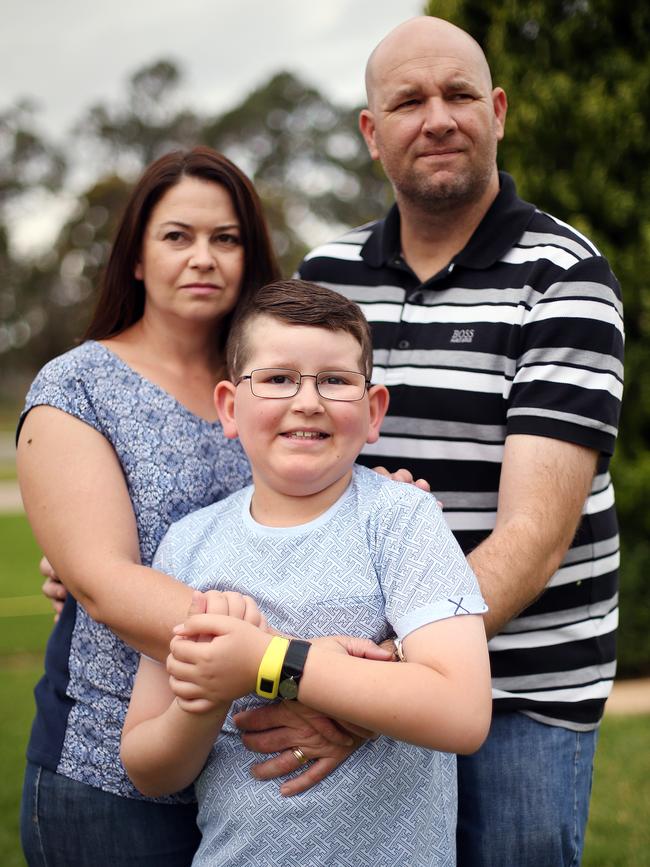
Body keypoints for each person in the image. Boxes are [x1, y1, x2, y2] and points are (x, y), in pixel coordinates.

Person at [295, 16, 624, 867]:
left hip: (520, 693)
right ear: (373, 134)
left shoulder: (566, 276)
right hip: (362, 667)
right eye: (408, 101)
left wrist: (385, 681)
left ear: (499, 111)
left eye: (459, 95)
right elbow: (276, 464)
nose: (437, 117)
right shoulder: (322, 281)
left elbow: (534, 534)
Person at [120, 278, 492, 867]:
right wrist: (204, 699)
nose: (308, 401)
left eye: (336, 380)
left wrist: (268, 662)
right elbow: (146, 766)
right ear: (229, 407)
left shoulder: (402, 520)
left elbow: (462, 711)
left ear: (373, 412)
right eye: (277, 378)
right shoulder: (188, 544)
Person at [16, 146, 281, 866]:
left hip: (257, 780)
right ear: (135, 257)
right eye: (177, 236)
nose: (204, 257)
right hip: (110, 781)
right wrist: (292, 669)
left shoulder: (273, 381)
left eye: (225, 238)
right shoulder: (77, 387)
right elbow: (103, 582)